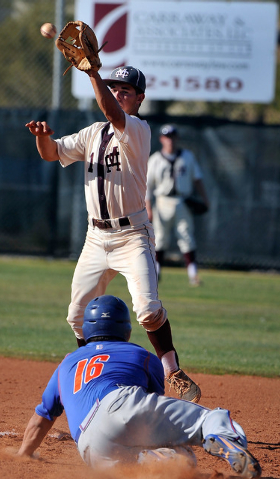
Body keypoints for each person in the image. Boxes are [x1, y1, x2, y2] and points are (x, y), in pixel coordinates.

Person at [25, 66, 200, 402]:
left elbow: (111, 111)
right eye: (114, 87)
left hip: (133, 236)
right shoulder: (91, 134)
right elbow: (51, 153)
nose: (119, 93)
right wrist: (41, 136)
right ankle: (94, 374)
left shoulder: (137, 129)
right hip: (96, 239)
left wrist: (93, 74)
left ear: (139, 99)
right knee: (77, 316)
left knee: (148, 310)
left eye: (126, 90)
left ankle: (172, 371)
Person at [17, 295, 261, 479]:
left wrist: (23, 455)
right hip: (122, 402)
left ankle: (154, 460)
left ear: (87, 329)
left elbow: (43, 417)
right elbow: (147, 417)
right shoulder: (141, 355)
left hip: (90, 447)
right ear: (126, 328)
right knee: (207, 420)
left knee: (174, 463)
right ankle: (225, 439)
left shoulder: (66, 363)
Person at [146, 124, 209, 286]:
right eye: (167, 137)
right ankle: (157, 272)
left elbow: (198, 179)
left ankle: (193, 274)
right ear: (161, 139)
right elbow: (147, 186)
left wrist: (205, 198)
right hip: (161, 201)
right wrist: (148, 206)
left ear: (177, 138)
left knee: (186, 236)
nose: (170, 140)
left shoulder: (187, 156)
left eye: (173, 137)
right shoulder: (155, 160)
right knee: (159, 238)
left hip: (183, 200)